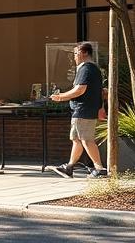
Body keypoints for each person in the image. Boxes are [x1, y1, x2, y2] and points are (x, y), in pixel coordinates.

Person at [50, 42, 108, 179]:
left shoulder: (86, 68)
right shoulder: (94, 69)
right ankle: (69, 167)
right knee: (76, 139)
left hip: (83, 109)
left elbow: (80, 89)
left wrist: (60, 97)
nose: (74, 57)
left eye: (75, 54)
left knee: (86, 140)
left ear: (84, 53)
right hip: (84, 110)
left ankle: (100, 168)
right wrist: (100, 107)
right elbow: (100, 91)